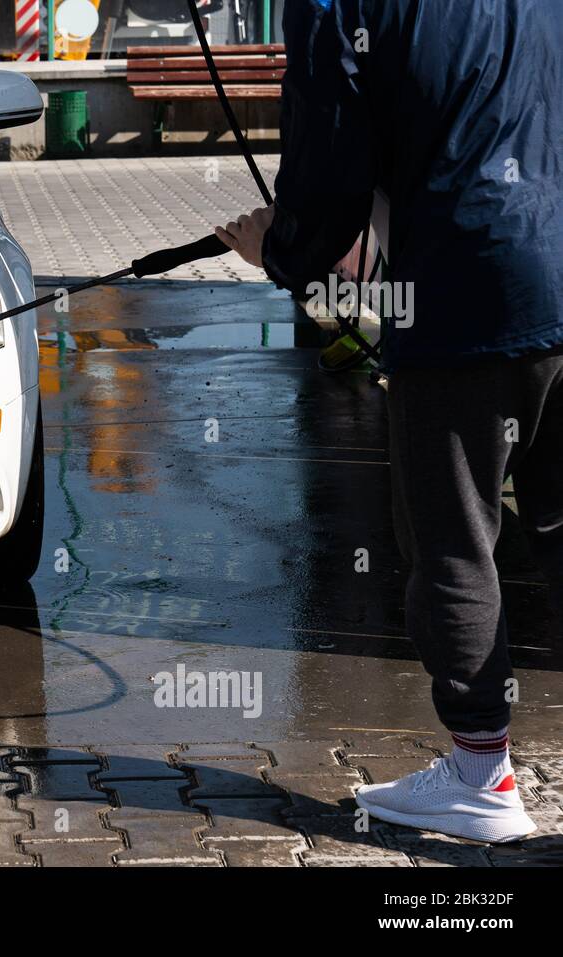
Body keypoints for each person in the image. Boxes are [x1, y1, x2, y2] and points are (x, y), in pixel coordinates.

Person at [216, 0, 563, 844]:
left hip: (463, 295)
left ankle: (481, 776)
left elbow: (328, 168)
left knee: (452, 537)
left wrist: (284, 253)